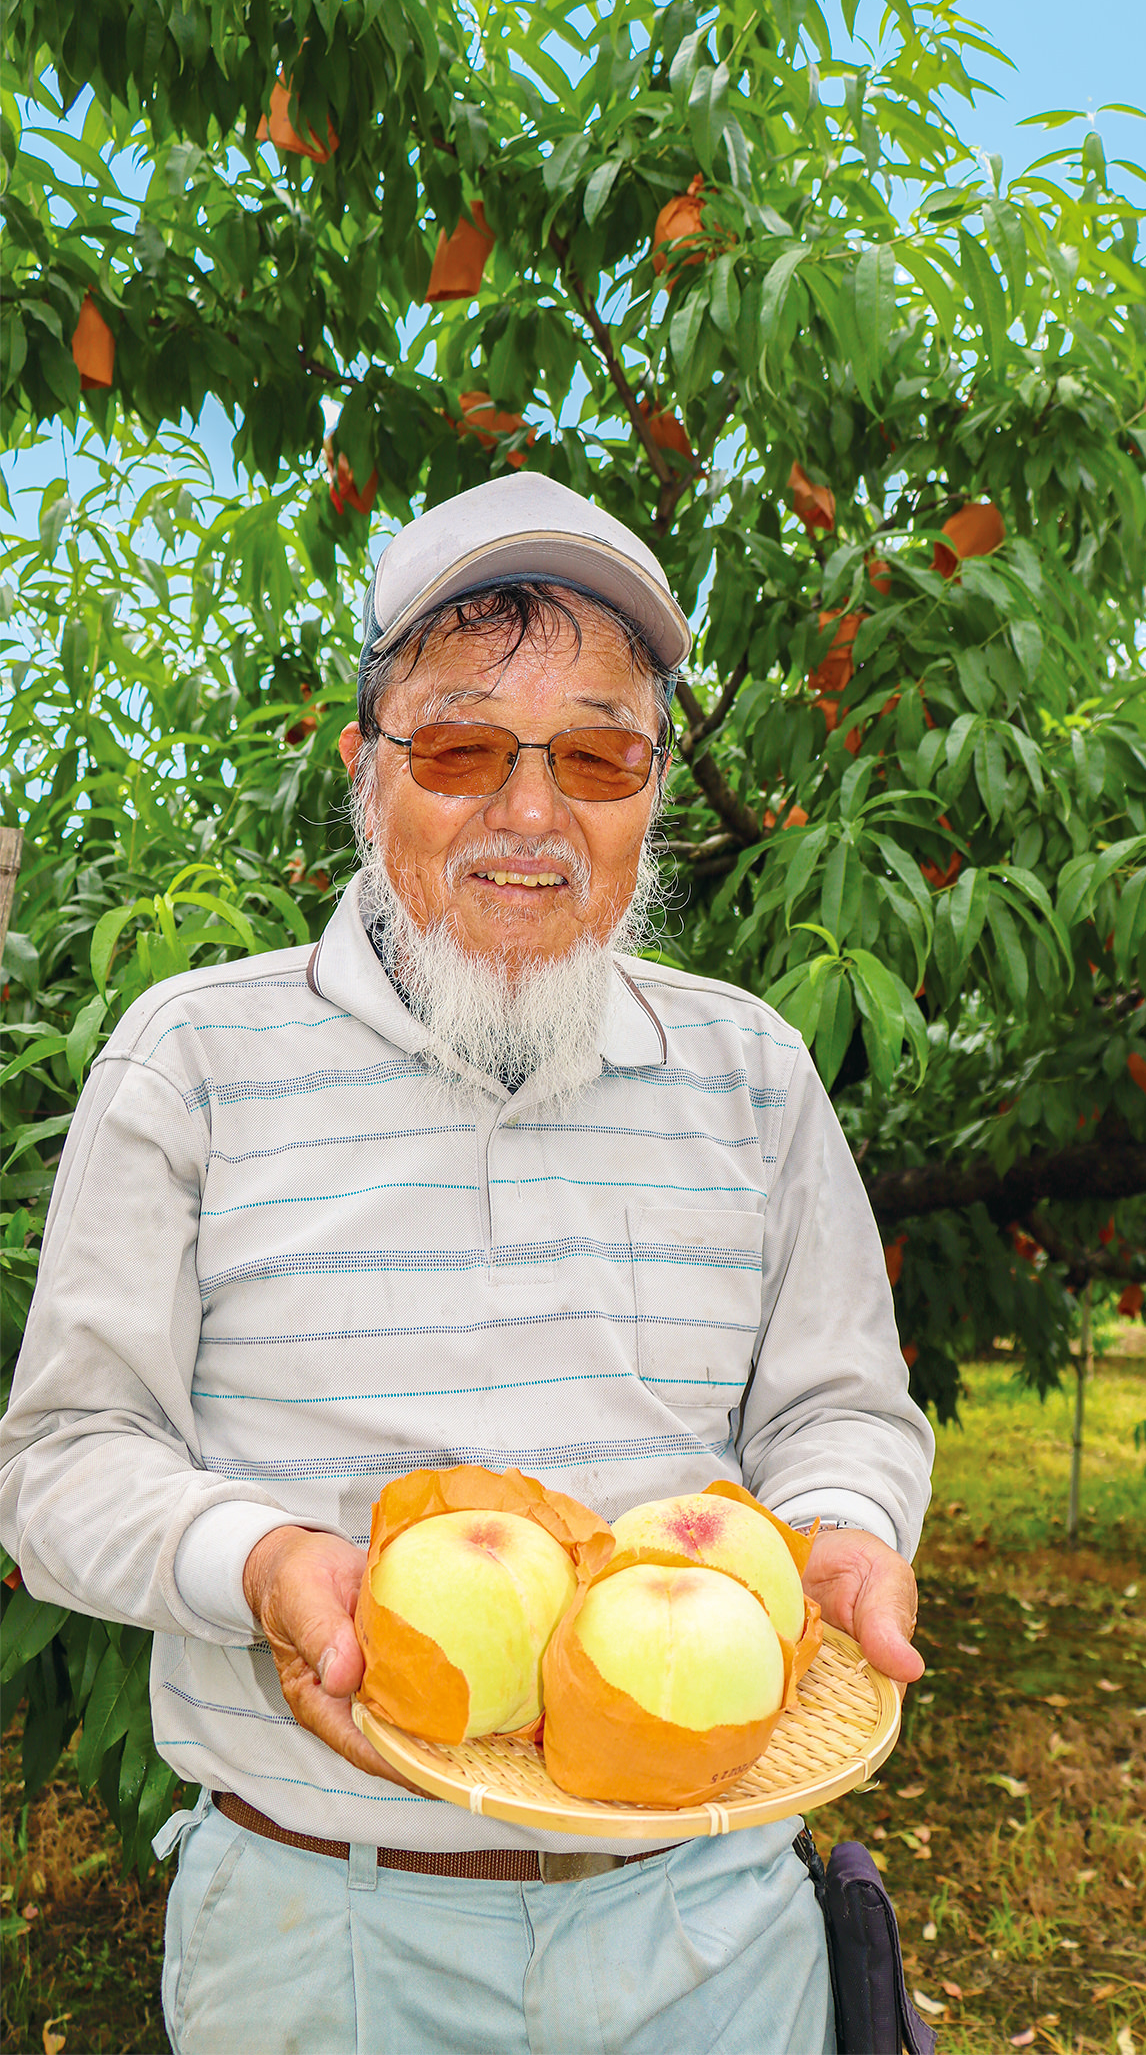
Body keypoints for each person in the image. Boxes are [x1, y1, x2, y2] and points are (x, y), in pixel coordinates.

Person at [0, 472, 934, 2055]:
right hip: (328, 1933)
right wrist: (268, 1565)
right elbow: (65, 1462)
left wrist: (838, 1533)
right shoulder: (197, 1058)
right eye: (459, 745)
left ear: (652, 789)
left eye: (594, 752)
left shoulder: (752, 1073)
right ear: (369, 769)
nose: (528, 811)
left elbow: (843, 1405)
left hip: (704, 1919)